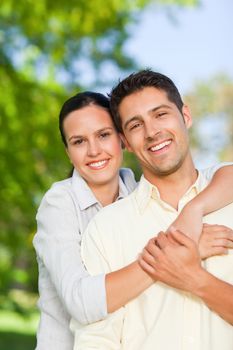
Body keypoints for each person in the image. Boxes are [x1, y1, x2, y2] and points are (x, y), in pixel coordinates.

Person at [71, 71, 233, 350]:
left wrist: (194, 278)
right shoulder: (106, 228)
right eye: (136, 125)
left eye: (161, 114)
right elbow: (96, 340)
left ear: (186, 116)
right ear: (125, 142)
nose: (151, 132)